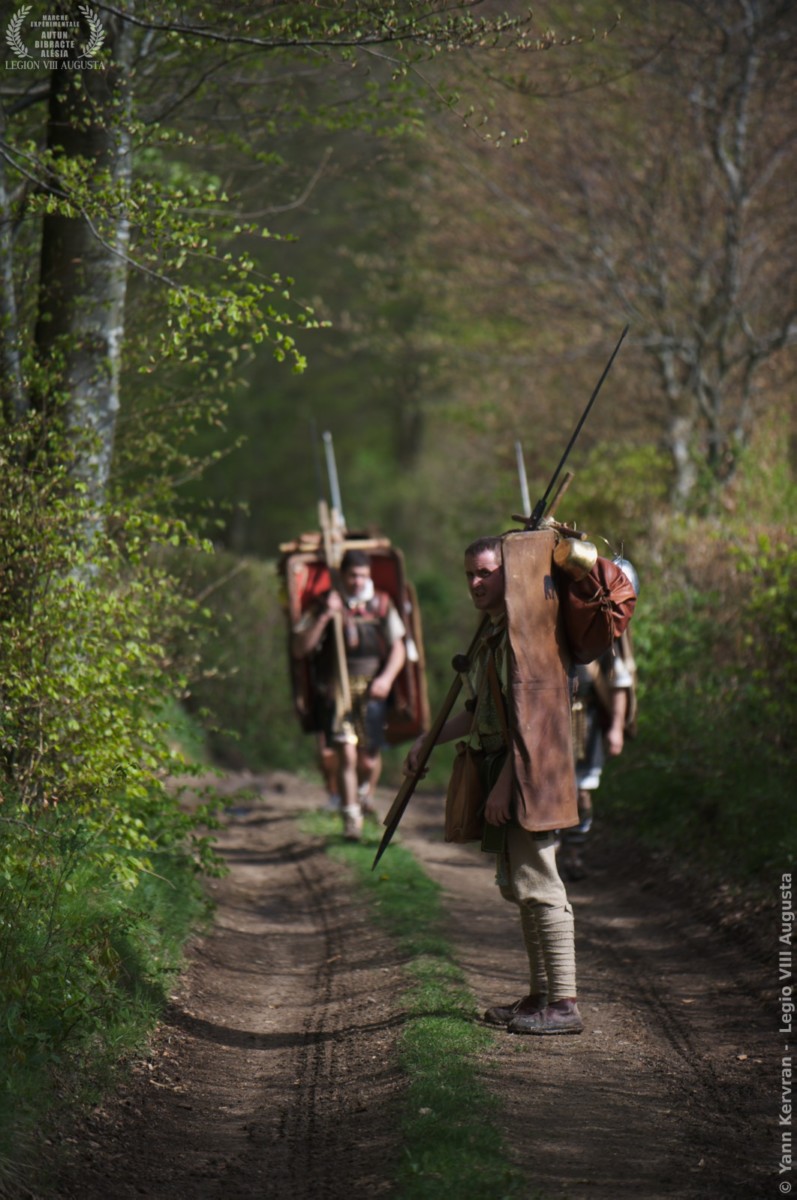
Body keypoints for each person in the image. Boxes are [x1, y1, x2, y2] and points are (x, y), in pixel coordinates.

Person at [404, 535, 584, 1036]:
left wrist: (507, 785)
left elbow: (531, 724)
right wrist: (428, 740)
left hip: (528, 774)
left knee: (542, 883)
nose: (476, 583)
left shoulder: (527, 636)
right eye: (470, 574)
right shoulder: (497, 634)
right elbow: (483, 712)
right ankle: (541, 996)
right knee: (522, 887)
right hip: (509, 770)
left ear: (509, 573)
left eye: (486, 572)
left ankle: (565, 1004)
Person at [292, 549, 406, 840]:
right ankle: (351, 818)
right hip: (338, 689)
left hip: (372, 690)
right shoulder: (326, 603)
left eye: (363, 576)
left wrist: (386, 679)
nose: (358, 581)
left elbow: (399, 648)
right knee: (346, 753)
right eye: (353, 576)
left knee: (368, 760)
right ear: (342, 575)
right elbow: (301, 648)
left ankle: (365, 794)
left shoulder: (381, 603)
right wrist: (325, 616)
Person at [558, 627, 637, 881]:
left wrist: (616, 728)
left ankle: (574, 854)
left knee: (582, 790)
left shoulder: (601, 636)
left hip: (586, 722)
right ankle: (549, 852)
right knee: (550, 789)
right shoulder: (551, 629)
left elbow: (619, 683)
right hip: (551, 720)